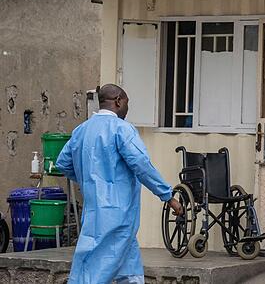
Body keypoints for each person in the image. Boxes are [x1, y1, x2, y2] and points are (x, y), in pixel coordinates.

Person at [55, 84, 182, 284]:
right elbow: (142, 166)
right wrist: (168, 196)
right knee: (97, 269)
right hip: (118, 212)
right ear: (118, 101)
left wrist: (88, 178)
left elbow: (63, 163)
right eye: (127, 103)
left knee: (127, 266)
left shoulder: (82, 130)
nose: (127, 108)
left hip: (94, 210)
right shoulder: (122, 130)